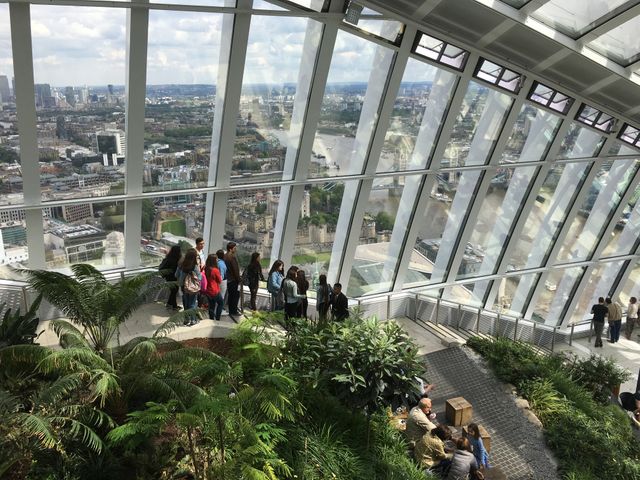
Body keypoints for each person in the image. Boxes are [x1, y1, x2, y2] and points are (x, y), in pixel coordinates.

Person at [175, 248, 202, 325]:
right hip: (193, 288)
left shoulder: (181, 265)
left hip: (184, 287)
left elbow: (176, 275)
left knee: (185, 303)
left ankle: (186, 319)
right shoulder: (195, 266)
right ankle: (193, 320)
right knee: (192, 304)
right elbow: (199, 278)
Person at [158, 245, 182, 311]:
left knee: (173, 291)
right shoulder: (177, 259)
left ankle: (169, 304)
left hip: (168, 277)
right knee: (174, 291)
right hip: (174, 277)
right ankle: (174, 306)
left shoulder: (169, 257)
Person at [201, 254, 224, 321]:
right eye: (216, 259)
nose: (217, 260)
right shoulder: (215, 270)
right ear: (214, 260)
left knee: (211, 305)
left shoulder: (204, 268)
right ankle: (217, 318)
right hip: (214, 290)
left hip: (206, 290)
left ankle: (211, 318)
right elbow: (219, 280)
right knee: (221, 303)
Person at [225, 242, 241, 316]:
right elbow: (235, 270)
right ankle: (233, 311)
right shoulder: (232, 257)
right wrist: (238, 279)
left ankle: (231, 310)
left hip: (227, 279)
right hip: (233, 280)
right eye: (234, 248)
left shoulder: (225, 256)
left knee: (230, 296)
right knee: (235, 296)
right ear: (231, 249)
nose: (236, 249)